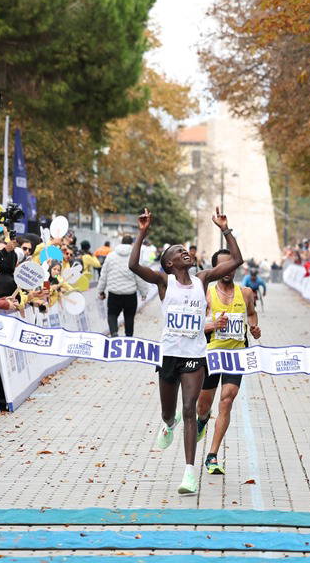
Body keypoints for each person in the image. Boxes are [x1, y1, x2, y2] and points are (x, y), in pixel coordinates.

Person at [128, 206, 242, 495]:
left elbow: (237, 260)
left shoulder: (202, 279)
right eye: (178, 252)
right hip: (168, 356)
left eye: (185, 250)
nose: (185, 253)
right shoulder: (164, 282)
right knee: (170, 413)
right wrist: (142, 234)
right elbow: (133, 266)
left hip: (194, 356)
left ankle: (189, 473)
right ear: (168, 263)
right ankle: (168, 424)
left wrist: (224, 229)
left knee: (189, 409)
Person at [195, 249, 261, 474]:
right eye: (222, 266)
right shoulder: (205, 293)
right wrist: (211, 325)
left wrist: (253, 327)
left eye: (231, 266)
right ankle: (202, 420)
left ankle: (212, 455)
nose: (227, 271)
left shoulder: (246, 293)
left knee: (227, 400)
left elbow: (251, 313)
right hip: (211, 354)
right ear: (215, 269)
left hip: (236, 355)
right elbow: (193, 325)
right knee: (203, 405)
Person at [98, 235, 145, 337]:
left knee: (112, 314)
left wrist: (101, 291)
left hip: (114, 293)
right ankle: (128, 338)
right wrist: (144, 292)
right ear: (131, 244)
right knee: (129, 317)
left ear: (121, 242)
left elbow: (104, 275)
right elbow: (139, 276)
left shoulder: (110, 256)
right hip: (130, 294)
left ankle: (114, 334)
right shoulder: (135, 256)